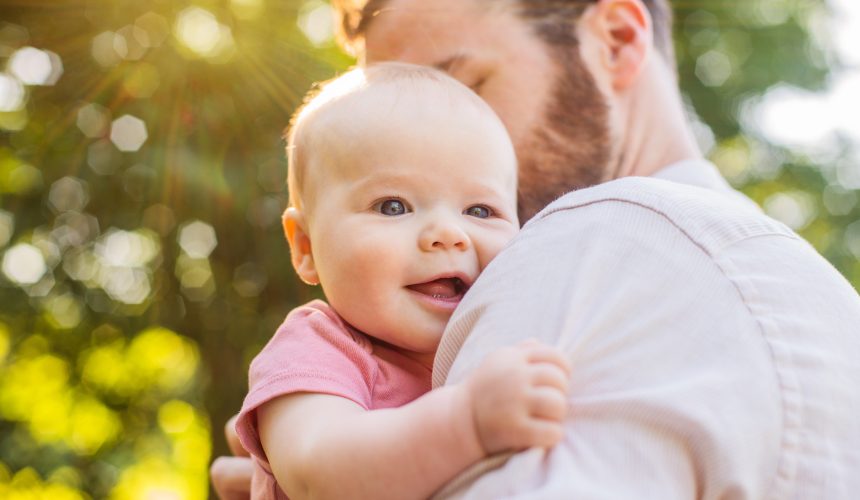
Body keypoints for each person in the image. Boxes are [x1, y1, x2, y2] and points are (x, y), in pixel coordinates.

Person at [213, 0, 860, 497]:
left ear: (615, 39)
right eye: (391, 196)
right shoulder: (821, 299)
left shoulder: (592, 249)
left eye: (462, 92)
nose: (423, 144)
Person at [234, 63, 573, 500]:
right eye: (393, 206)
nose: (448, 234)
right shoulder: (319, 348)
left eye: (480, 211)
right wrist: (465, 422)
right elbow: (316, 471)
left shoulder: (515, 333)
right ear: (305, 247)